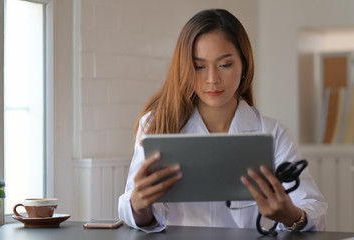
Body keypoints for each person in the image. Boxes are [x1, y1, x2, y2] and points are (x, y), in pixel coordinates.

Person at [118, 8, 327, 233]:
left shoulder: (273, 133)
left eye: (225, 65)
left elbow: (313, 208)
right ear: (185, 68)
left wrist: (290, 215)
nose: (212, 79)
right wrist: (139, 206)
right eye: (199, 66)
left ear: (244, 65)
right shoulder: (157, 125)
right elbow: (133, 208)